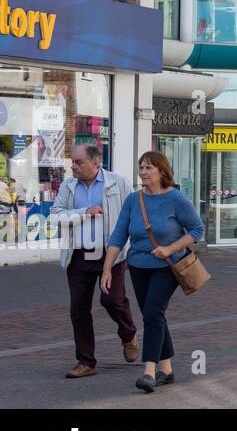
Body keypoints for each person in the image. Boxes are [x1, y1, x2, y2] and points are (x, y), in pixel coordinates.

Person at [102, 151, 205, 393]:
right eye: (141, 167)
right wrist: (107, 268)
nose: (143, 172)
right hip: (138, 266)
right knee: (154, 315)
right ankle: (167, 370)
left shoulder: (175, 198)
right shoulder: (132, 200)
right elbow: (119, 235)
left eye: (148, 168)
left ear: (162, 171)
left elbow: (196, 229)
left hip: (168, 267)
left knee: (152, 312)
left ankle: (149, 371)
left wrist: (170, 247)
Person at [51, 144, 138, 378]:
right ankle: (86, 362)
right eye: (73, 162)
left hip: (111, 254)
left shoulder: (118, 183)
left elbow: (133, 213)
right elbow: (55, 216)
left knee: (112, 300)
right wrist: (84, 212)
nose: (73, 166)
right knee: (79, 309)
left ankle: (128, 334)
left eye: (79, 162)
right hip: (78, 255)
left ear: (96, 163)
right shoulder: (68, 186)